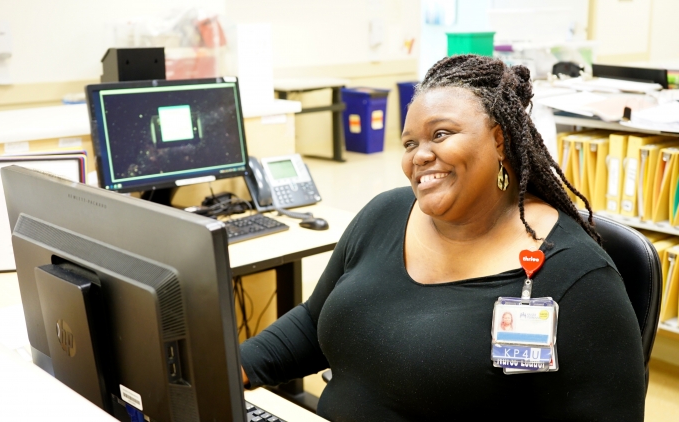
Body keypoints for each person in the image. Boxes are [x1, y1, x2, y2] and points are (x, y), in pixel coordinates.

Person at [239, 55, 645, 421]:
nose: (419, 155)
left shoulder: (578, 278)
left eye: (441, 134)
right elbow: (314, 321)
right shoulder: (385, 213)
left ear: (499, 139)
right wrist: (236, 364)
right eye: (410, 142)